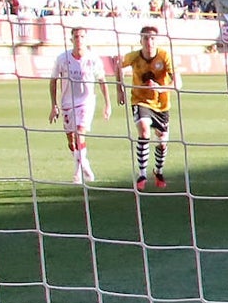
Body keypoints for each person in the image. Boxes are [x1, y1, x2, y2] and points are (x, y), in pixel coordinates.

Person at [115, 25, 180, 191]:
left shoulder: (165, 57)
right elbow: (118, 65)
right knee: (144, 130)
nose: (149, 41)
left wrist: (160, 88)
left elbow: (178, 83)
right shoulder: (134, 57)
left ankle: (158, 172)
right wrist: (119, 90)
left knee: (162, 141)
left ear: (156, 41)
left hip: (161, 105)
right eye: (145, 38)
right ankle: (142, 175)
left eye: (152, 38)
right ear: (140, 40)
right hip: (140, 100)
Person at [49, 27, 111, 184]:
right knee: (71, 141)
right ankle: (84, 163)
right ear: (71, 39)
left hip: (86, 102)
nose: (79, 40)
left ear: (86, 39)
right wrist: (54, 105)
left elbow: (102, 81)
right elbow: (53, 81)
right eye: (76, 36)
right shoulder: (62, 59)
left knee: (79, 133)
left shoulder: (93, 59)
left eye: (82, 36)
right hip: (67, 103)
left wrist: (107, 104)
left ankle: (77, 173)